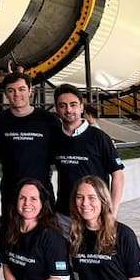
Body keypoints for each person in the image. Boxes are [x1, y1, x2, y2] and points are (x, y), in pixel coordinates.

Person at [49, 84, 126, 235]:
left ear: (81, 107)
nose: (68, 110)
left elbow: (118, 176)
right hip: (64, 217)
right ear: (57, 110)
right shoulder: (55, 138)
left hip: (94, 216)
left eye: (73, 105)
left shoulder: (99, 137)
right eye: (63, 106)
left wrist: (111, 213)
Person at [0, 72, 53, 236]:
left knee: (46, 241)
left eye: (22, 89)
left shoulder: (48, 120)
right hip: (11, 196)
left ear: (31, 91)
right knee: (12, 243)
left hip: (42, 195)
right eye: (11, 90)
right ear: (5, 93)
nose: (17, 94)